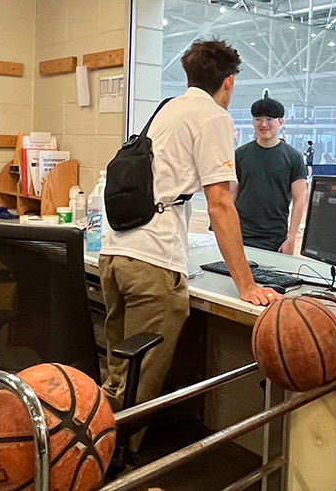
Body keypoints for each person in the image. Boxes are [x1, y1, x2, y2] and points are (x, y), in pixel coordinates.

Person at [99, 39, 282, 407]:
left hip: (115, 255)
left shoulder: (166, 110)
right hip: (153, 264)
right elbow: (220, 205)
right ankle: (117, 461)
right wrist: (246, 285)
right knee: (137, 387)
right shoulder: (213, 116)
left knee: (118, 375)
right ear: (228, 81)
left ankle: (90, 449)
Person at [232, 97, 309, 254]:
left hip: (276, 239)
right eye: (258, 119)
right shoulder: (240, 154)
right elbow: (231, 194)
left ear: (280, 122)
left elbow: (299, 199)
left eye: (269, 119)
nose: (264, 124)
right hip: (240, 236)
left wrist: (291, 239)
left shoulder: (293, 157)